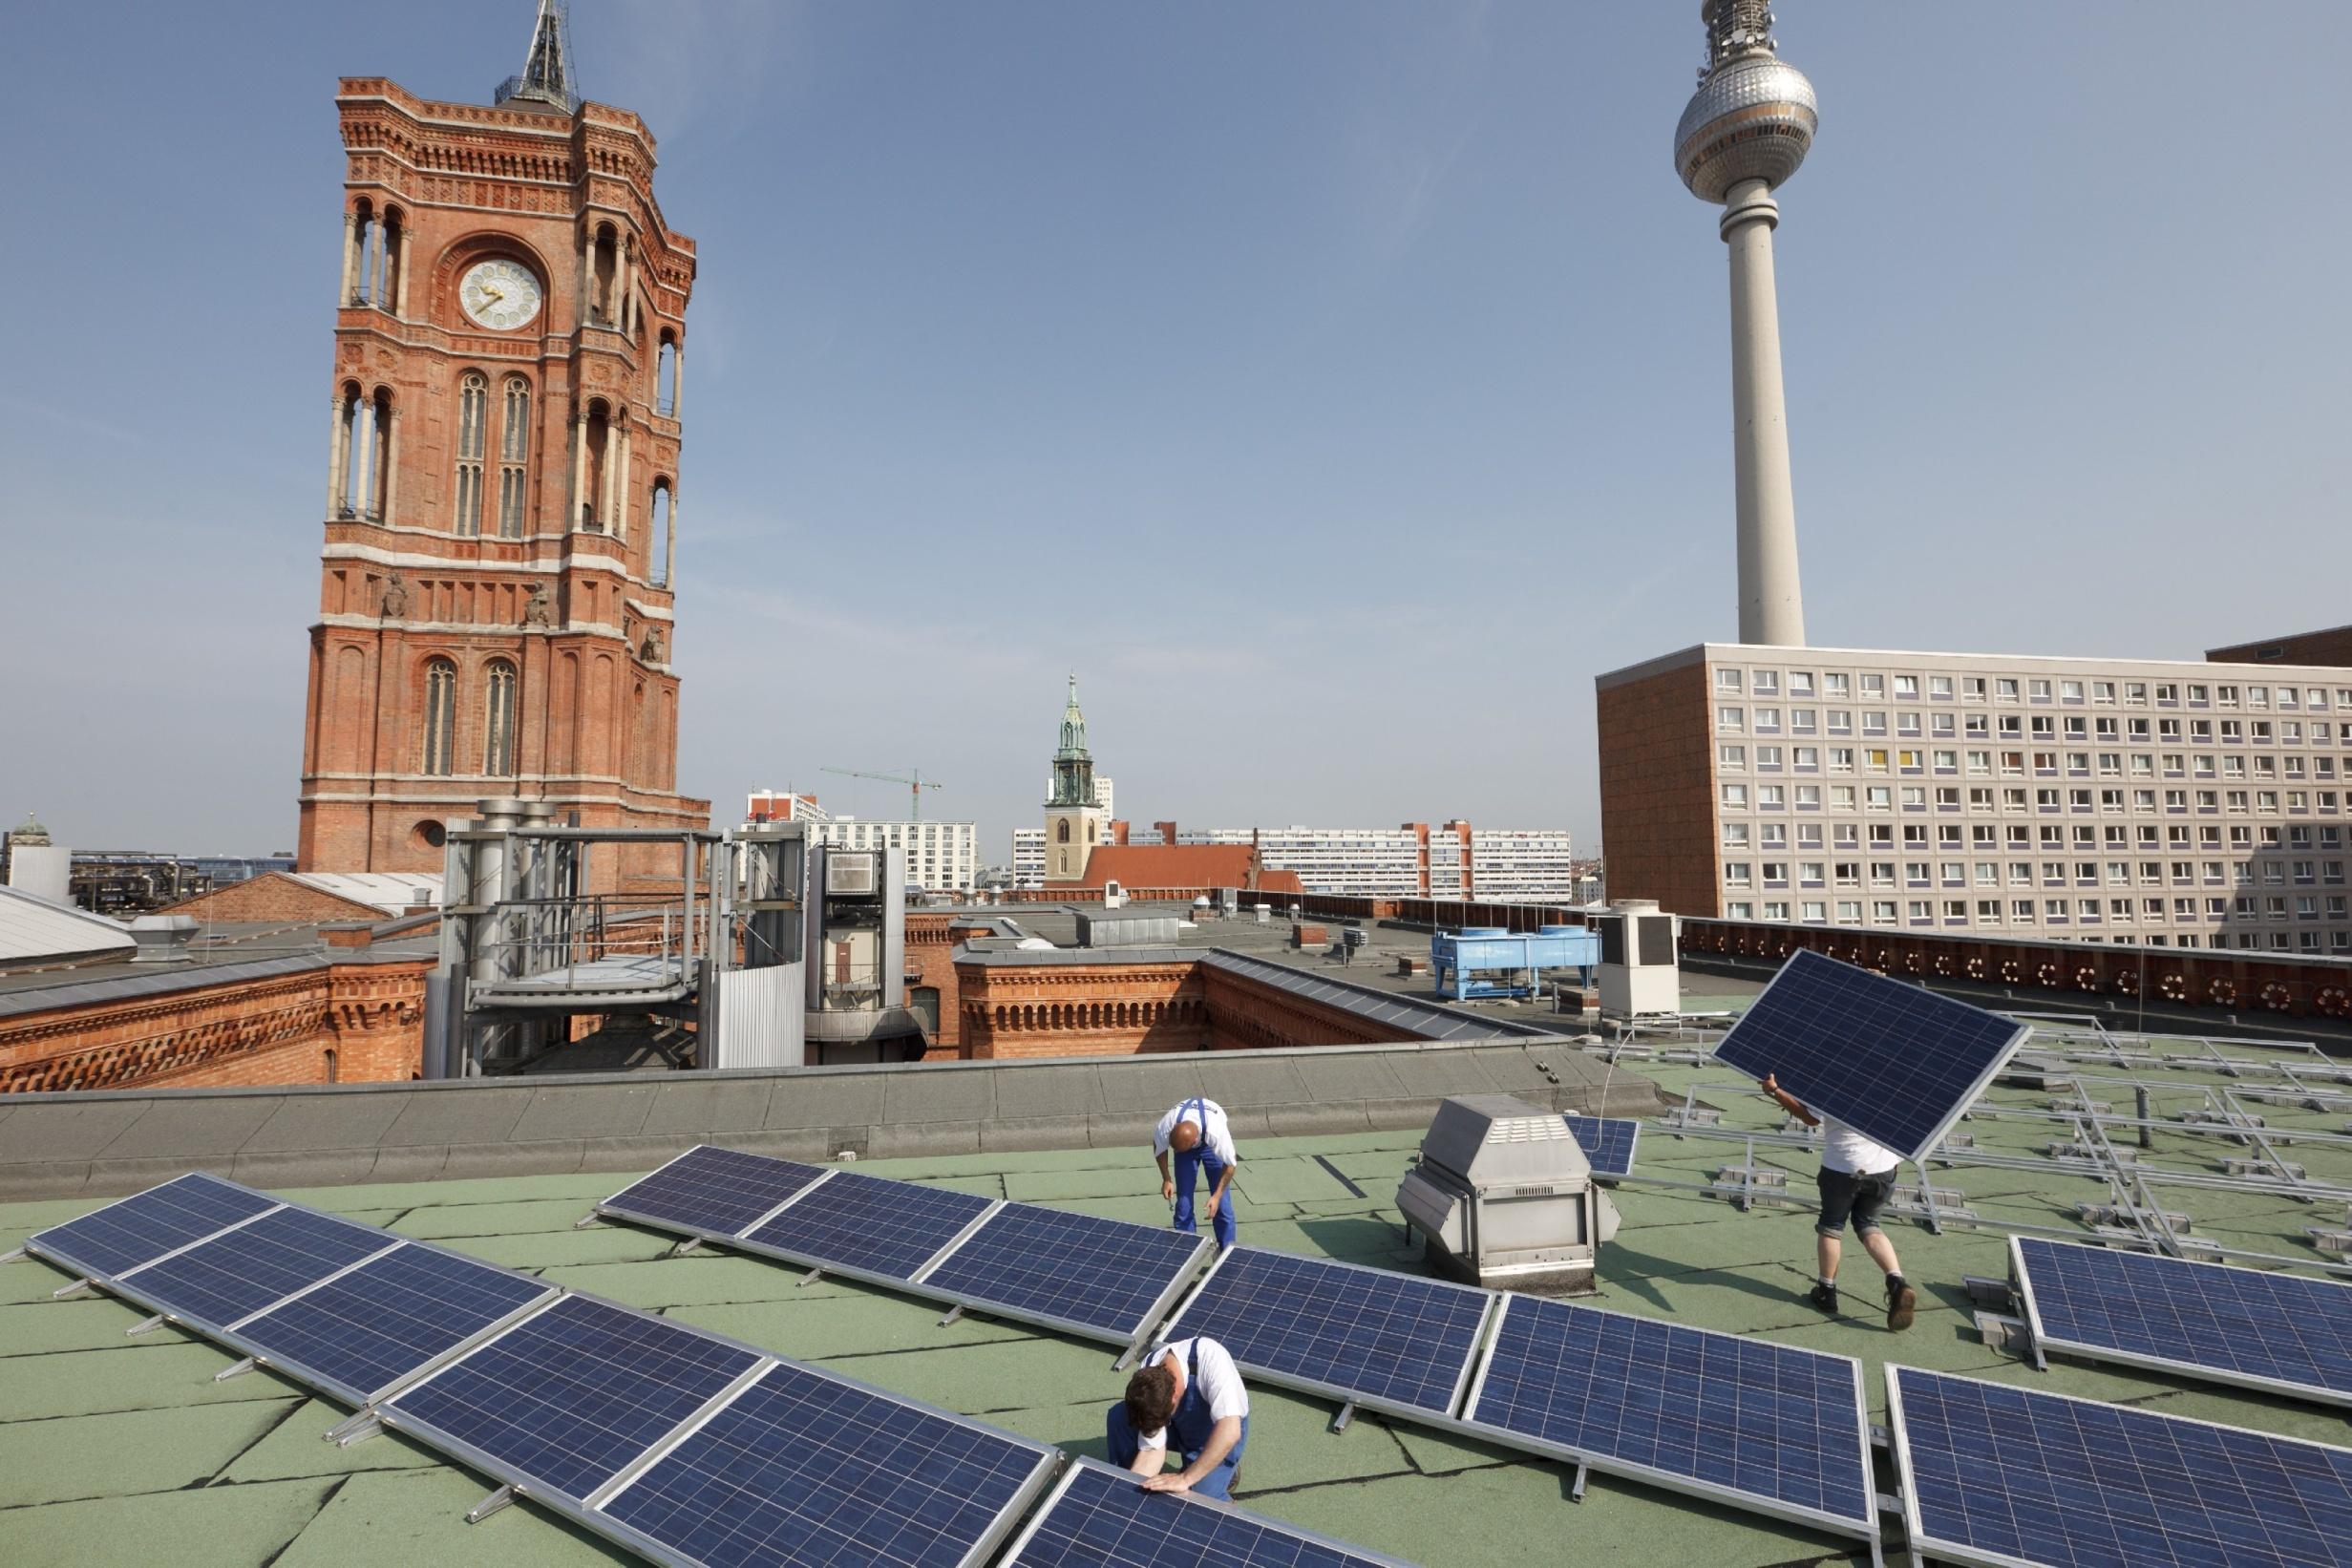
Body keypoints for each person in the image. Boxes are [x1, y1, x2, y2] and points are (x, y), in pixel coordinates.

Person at [1760, 1072, 1917, 1330]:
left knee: (1831, 1227)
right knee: (1869, 1225)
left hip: (1843, 1167)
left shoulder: (1834, 1077)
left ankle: (1826, 1290)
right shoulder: (1890, 1077)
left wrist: (1775, 1092)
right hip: (1885, 1165)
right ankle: (1897, 1281)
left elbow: (1810, 1118)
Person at [1106, 1334, 1250, 1500]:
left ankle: (1220, 1468)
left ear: (1174, 1396)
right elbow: (1152, 1448)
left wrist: (1185, 1479)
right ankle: (1123, 1476)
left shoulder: (1210, 1357)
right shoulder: (1149, 1368)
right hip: (1179, 1427)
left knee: (1198, 1500)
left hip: (1217, 1433)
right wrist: (1130, 1492)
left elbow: (1230, 1431)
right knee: (1120, 1416)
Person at [1154, 1095, 1239, 1249]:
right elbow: (1159, 1148)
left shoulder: (1216, 1132)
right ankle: (1188, 1254)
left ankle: (1226, 1255)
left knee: (1223, 1208)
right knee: (1183, 1206)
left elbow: (1230, 1166)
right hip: (1185, 1143)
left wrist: (1217, 1196)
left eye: (1179, 1150)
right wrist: (1166, 1178)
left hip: (1209, 1146)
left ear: (1194, 1142)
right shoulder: (1168, 1123)